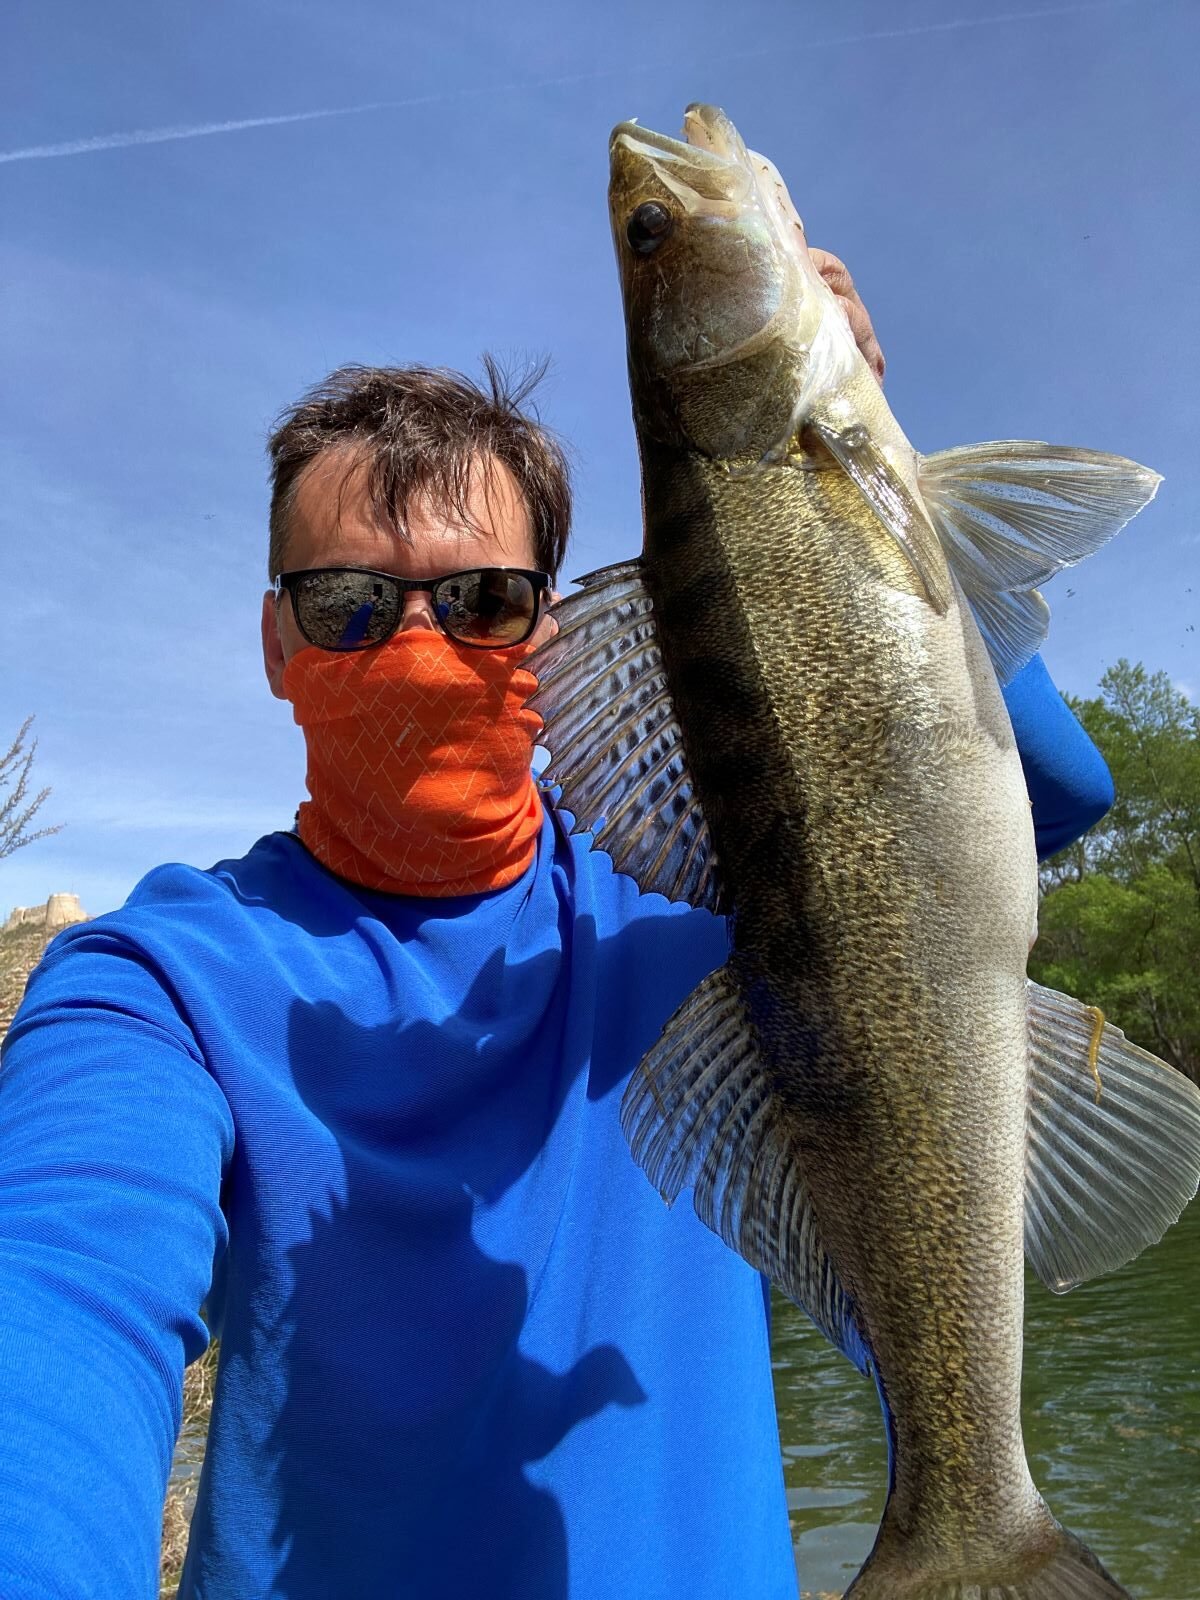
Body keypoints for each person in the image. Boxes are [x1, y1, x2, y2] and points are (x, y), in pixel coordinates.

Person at [0, 256, 1113, 1600]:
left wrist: (865, 493)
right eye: (347, 604)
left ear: (556, 629)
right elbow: (54, 1295)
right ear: (276, 643)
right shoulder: (157, 982)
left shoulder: (691, 892)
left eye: (483, 600)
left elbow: (1057, 795)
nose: (420, 649)